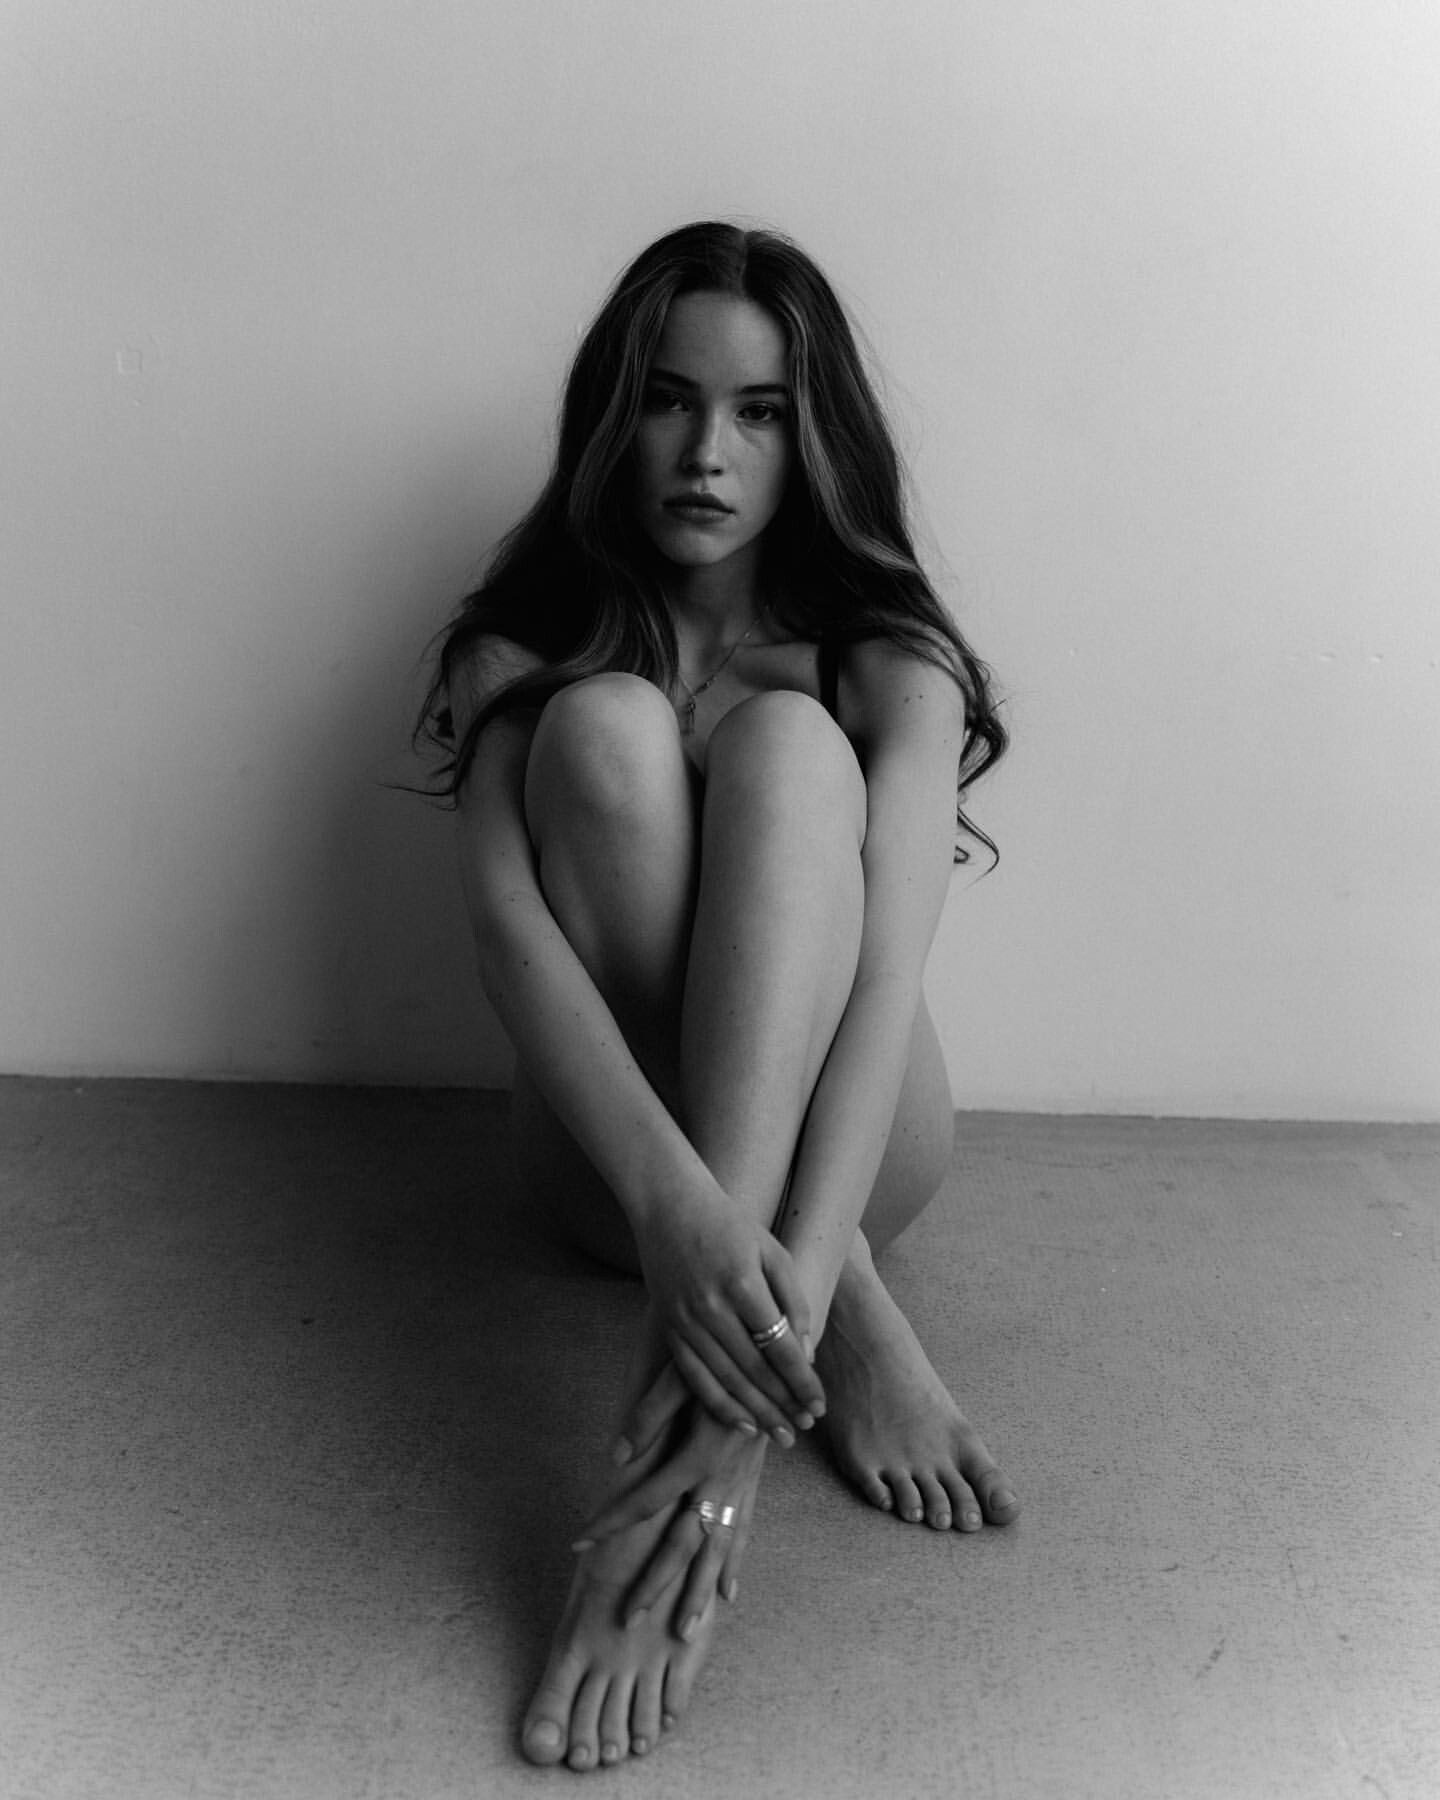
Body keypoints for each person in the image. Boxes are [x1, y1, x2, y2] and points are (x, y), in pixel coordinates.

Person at [416, 221, 1021, 1773]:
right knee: (606, 730)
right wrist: (679, 1211)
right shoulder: (522, 653)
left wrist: (723, 1425)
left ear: (814, 439)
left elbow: (882, 981)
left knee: (789, 747)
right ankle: (830, 1308)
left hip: (859, 1151)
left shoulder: (883, 662)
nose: (707, 453)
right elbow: (509, 939)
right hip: (615, 1180)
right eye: (671, 402)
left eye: (759, 413)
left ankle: (739, 1397)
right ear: (614, 420)